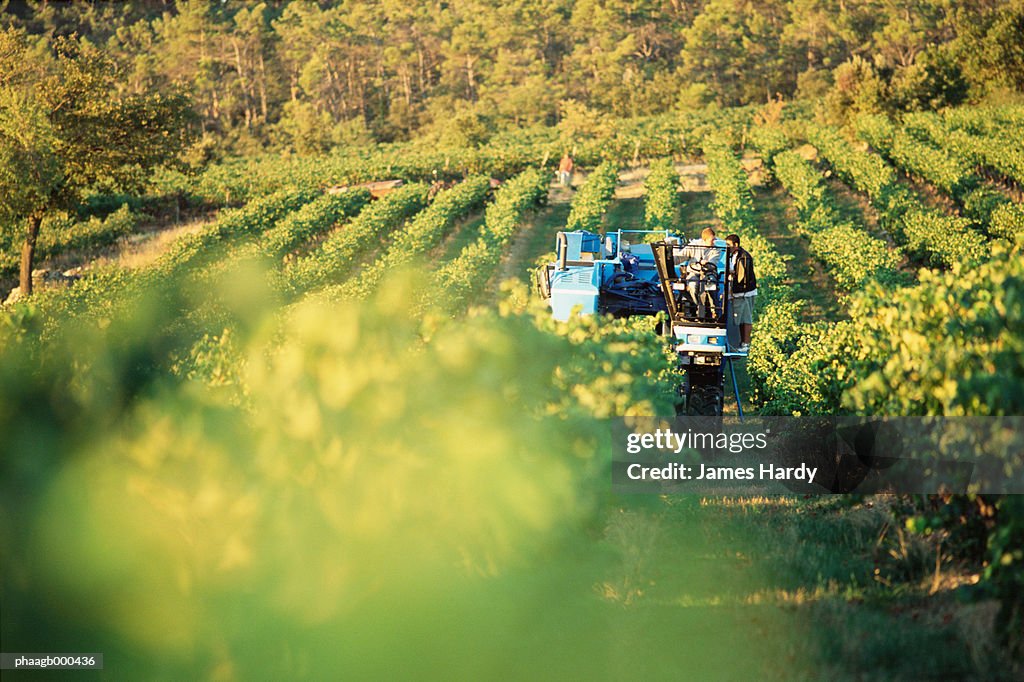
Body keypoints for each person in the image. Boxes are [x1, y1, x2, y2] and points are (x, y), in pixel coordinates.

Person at [675, 227, 723, 312]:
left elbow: (713, 262)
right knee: (693, 285)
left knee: (711, 285)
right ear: (704, 239)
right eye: (712, 240)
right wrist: (671, 259)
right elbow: (680, 257)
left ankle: (713, 309)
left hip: (709, 273)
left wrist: (707, 264)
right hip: (694, 272)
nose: (714, 241)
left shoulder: (716, 249)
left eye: (714, 239)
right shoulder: (694, 245)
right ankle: (697, 306)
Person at [725, 233, 757, 353]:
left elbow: (742, 279)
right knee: (738, 318)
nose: (727, 247)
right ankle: (738, 343)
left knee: (744, 318)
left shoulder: (744, 258)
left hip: (744, 294)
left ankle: (745, 344)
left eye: (729, 245)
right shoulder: (733, 255)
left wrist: (732, 289)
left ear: (736, 245)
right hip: (738, 293)